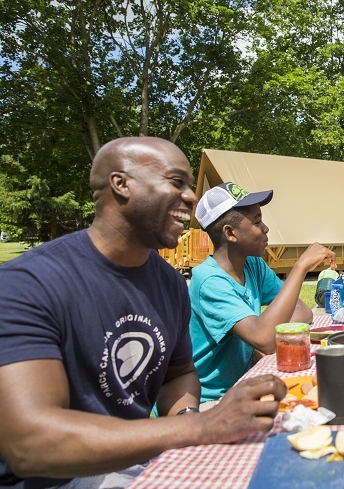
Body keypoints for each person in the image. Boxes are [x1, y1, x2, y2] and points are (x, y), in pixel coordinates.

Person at [0, 138, 287, 488]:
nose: (191, 197)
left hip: (141, 454)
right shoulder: (28, 284)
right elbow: (31, 445)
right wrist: (197, 427)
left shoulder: (169, 283)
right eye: (175, 181)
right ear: (121, 185)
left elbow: (178, 375)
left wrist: (188, 423)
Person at [189, 182, 337, 403]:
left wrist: (260, 330)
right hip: (214, 398)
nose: (265, 228)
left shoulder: (252, 265)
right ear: (230, 233)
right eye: (257, 222)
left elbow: (302, 312)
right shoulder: (209, 281)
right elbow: (265, 340)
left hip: (247, 380)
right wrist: (300, 267)